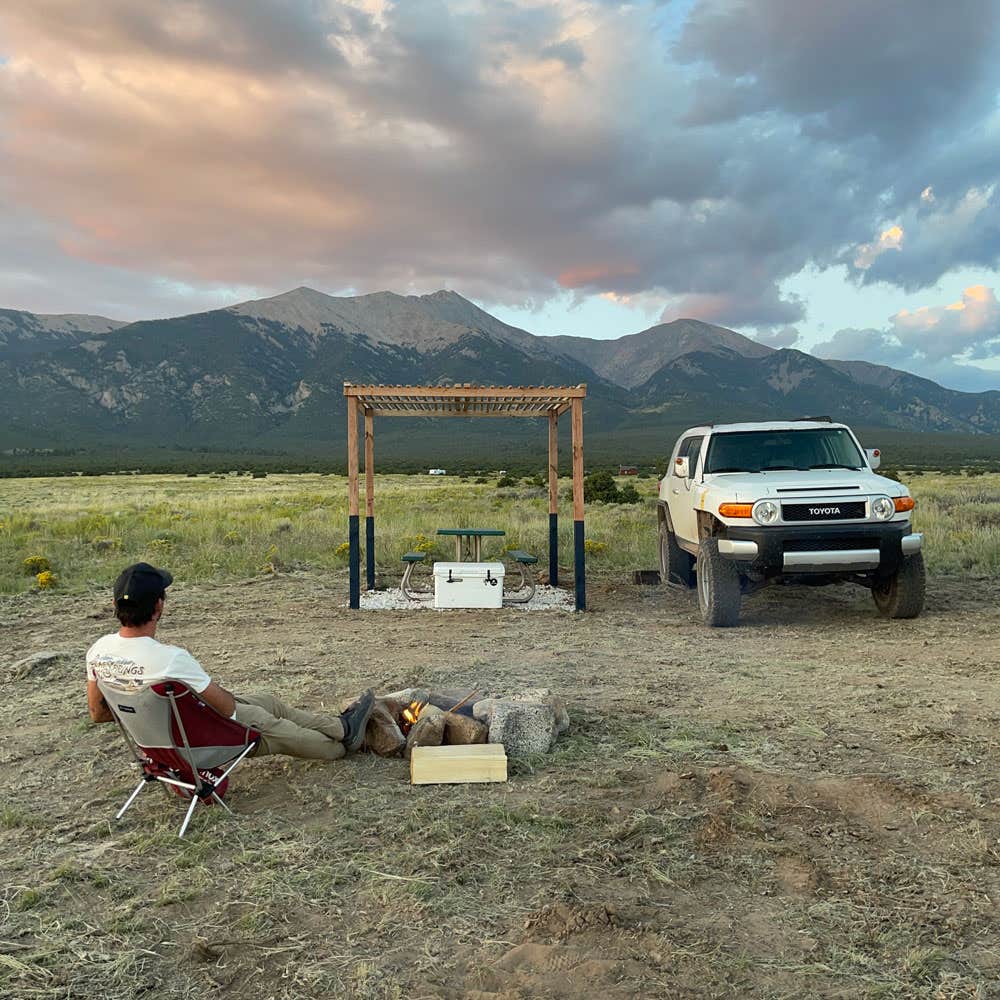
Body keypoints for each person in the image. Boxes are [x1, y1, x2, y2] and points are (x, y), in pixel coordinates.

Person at [86, 562, 374, 761]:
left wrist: (147, 716)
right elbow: (227, 709)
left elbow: (98, 714)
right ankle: (342, 744)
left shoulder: (98, 652)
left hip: (162, 739)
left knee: (267, 701)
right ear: (159, 605)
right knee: (268, 721)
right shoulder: (170, 659)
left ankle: (340, 727)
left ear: (115, 606)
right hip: (201, 743)